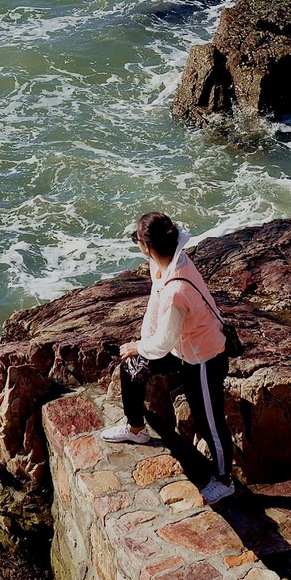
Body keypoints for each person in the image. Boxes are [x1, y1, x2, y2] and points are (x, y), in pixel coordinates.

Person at [101, 211, 236, 505]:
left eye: (137, 239)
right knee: (132, 368)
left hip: (203, 358)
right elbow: (155, 305)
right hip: (181, 349)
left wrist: (141, 346)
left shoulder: (178, 288)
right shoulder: (163, 264)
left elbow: (162, 343)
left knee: (209, 423)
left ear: (147, 246)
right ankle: (136, 429)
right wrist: (141, 343)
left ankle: (224, 480)